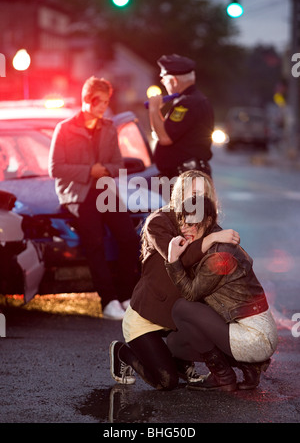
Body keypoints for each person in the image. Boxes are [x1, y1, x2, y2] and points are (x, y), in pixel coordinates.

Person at [109, 170, 240, 389]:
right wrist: (213, 238)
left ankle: (179, 359)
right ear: (180, 194)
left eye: (204, 194)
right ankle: (123, 353)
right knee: (166, 382)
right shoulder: (158, 222)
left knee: (229, 350)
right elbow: (181, 259)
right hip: (146, 317)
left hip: (178, 320)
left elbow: (226, 257)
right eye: (194, 192)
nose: (199, 199)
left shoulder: (207, 225)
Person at [48, 76, 140, 320]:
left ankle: (125, 297)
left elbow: (119, 164)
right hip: (78, 193)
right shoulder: (65, 129)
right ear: (87, 100)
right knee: (95, 244)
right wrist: (89, 170)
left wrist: (105, 170)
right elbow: (55, 168)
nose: (104, 107)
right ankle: (108, 302)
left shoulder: (109, 127)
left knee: (129, 239)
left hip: (105, 189)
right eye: (100, 102)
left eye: (107, 102)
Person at [165, 194, 278, 391]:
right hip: (247, 330)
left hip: (255, 337)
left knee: (182, 308)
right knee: (177, 343)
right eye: (182, 222)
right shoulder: (212, 241)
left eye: (191, 223)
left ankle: (223, 377)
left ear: (208, 220)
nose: (184, 228)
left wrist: (173, 262)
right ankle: (249, 366)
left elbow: (191, 295)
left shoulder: (219, 255)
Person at [148, 54, 214, 178]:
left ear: (174, 80)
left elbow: (165, 138)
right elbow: (160, 132)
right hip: (184, 175)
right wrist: (156, 112)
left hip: (186, 176)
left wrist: (153, 109)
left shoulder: (187, 103)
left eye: (164, 78)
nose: (162, 82)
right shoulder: (190, 100)